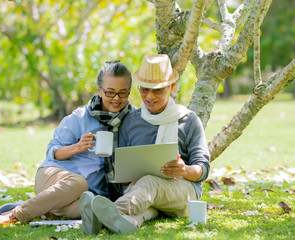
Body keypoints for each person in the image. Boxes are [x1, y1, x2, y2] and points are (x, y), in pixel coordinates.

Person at [0, 61, 134, 235]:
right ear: (99, 91)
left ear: (129, 91)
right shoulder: (81, 117)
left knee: (92, 207)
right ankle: (14, 215)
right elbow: (52, 151)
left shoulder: (133, 120)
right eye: (110, 92)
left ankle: (42, 206)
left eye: (123, 93)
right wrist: (77, 147)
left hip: (88, 194)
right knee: (78, 183)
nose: (116, 98)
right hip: (54, 175)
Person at [80, 53, 210, 234]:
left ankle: (104, 214)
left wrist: (184, 169)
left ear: (171, 87)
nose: (150, 96)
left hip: (182, 192)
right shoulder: (131, 121)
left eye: (157, 90)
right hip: (143, 194)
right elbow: (122, 172)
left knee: (149, 182)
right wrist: (125, 175)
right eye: (144, 89)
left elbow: (203, 169)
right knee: (143, 209)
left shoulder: (188, 120)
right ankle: (120, 223)